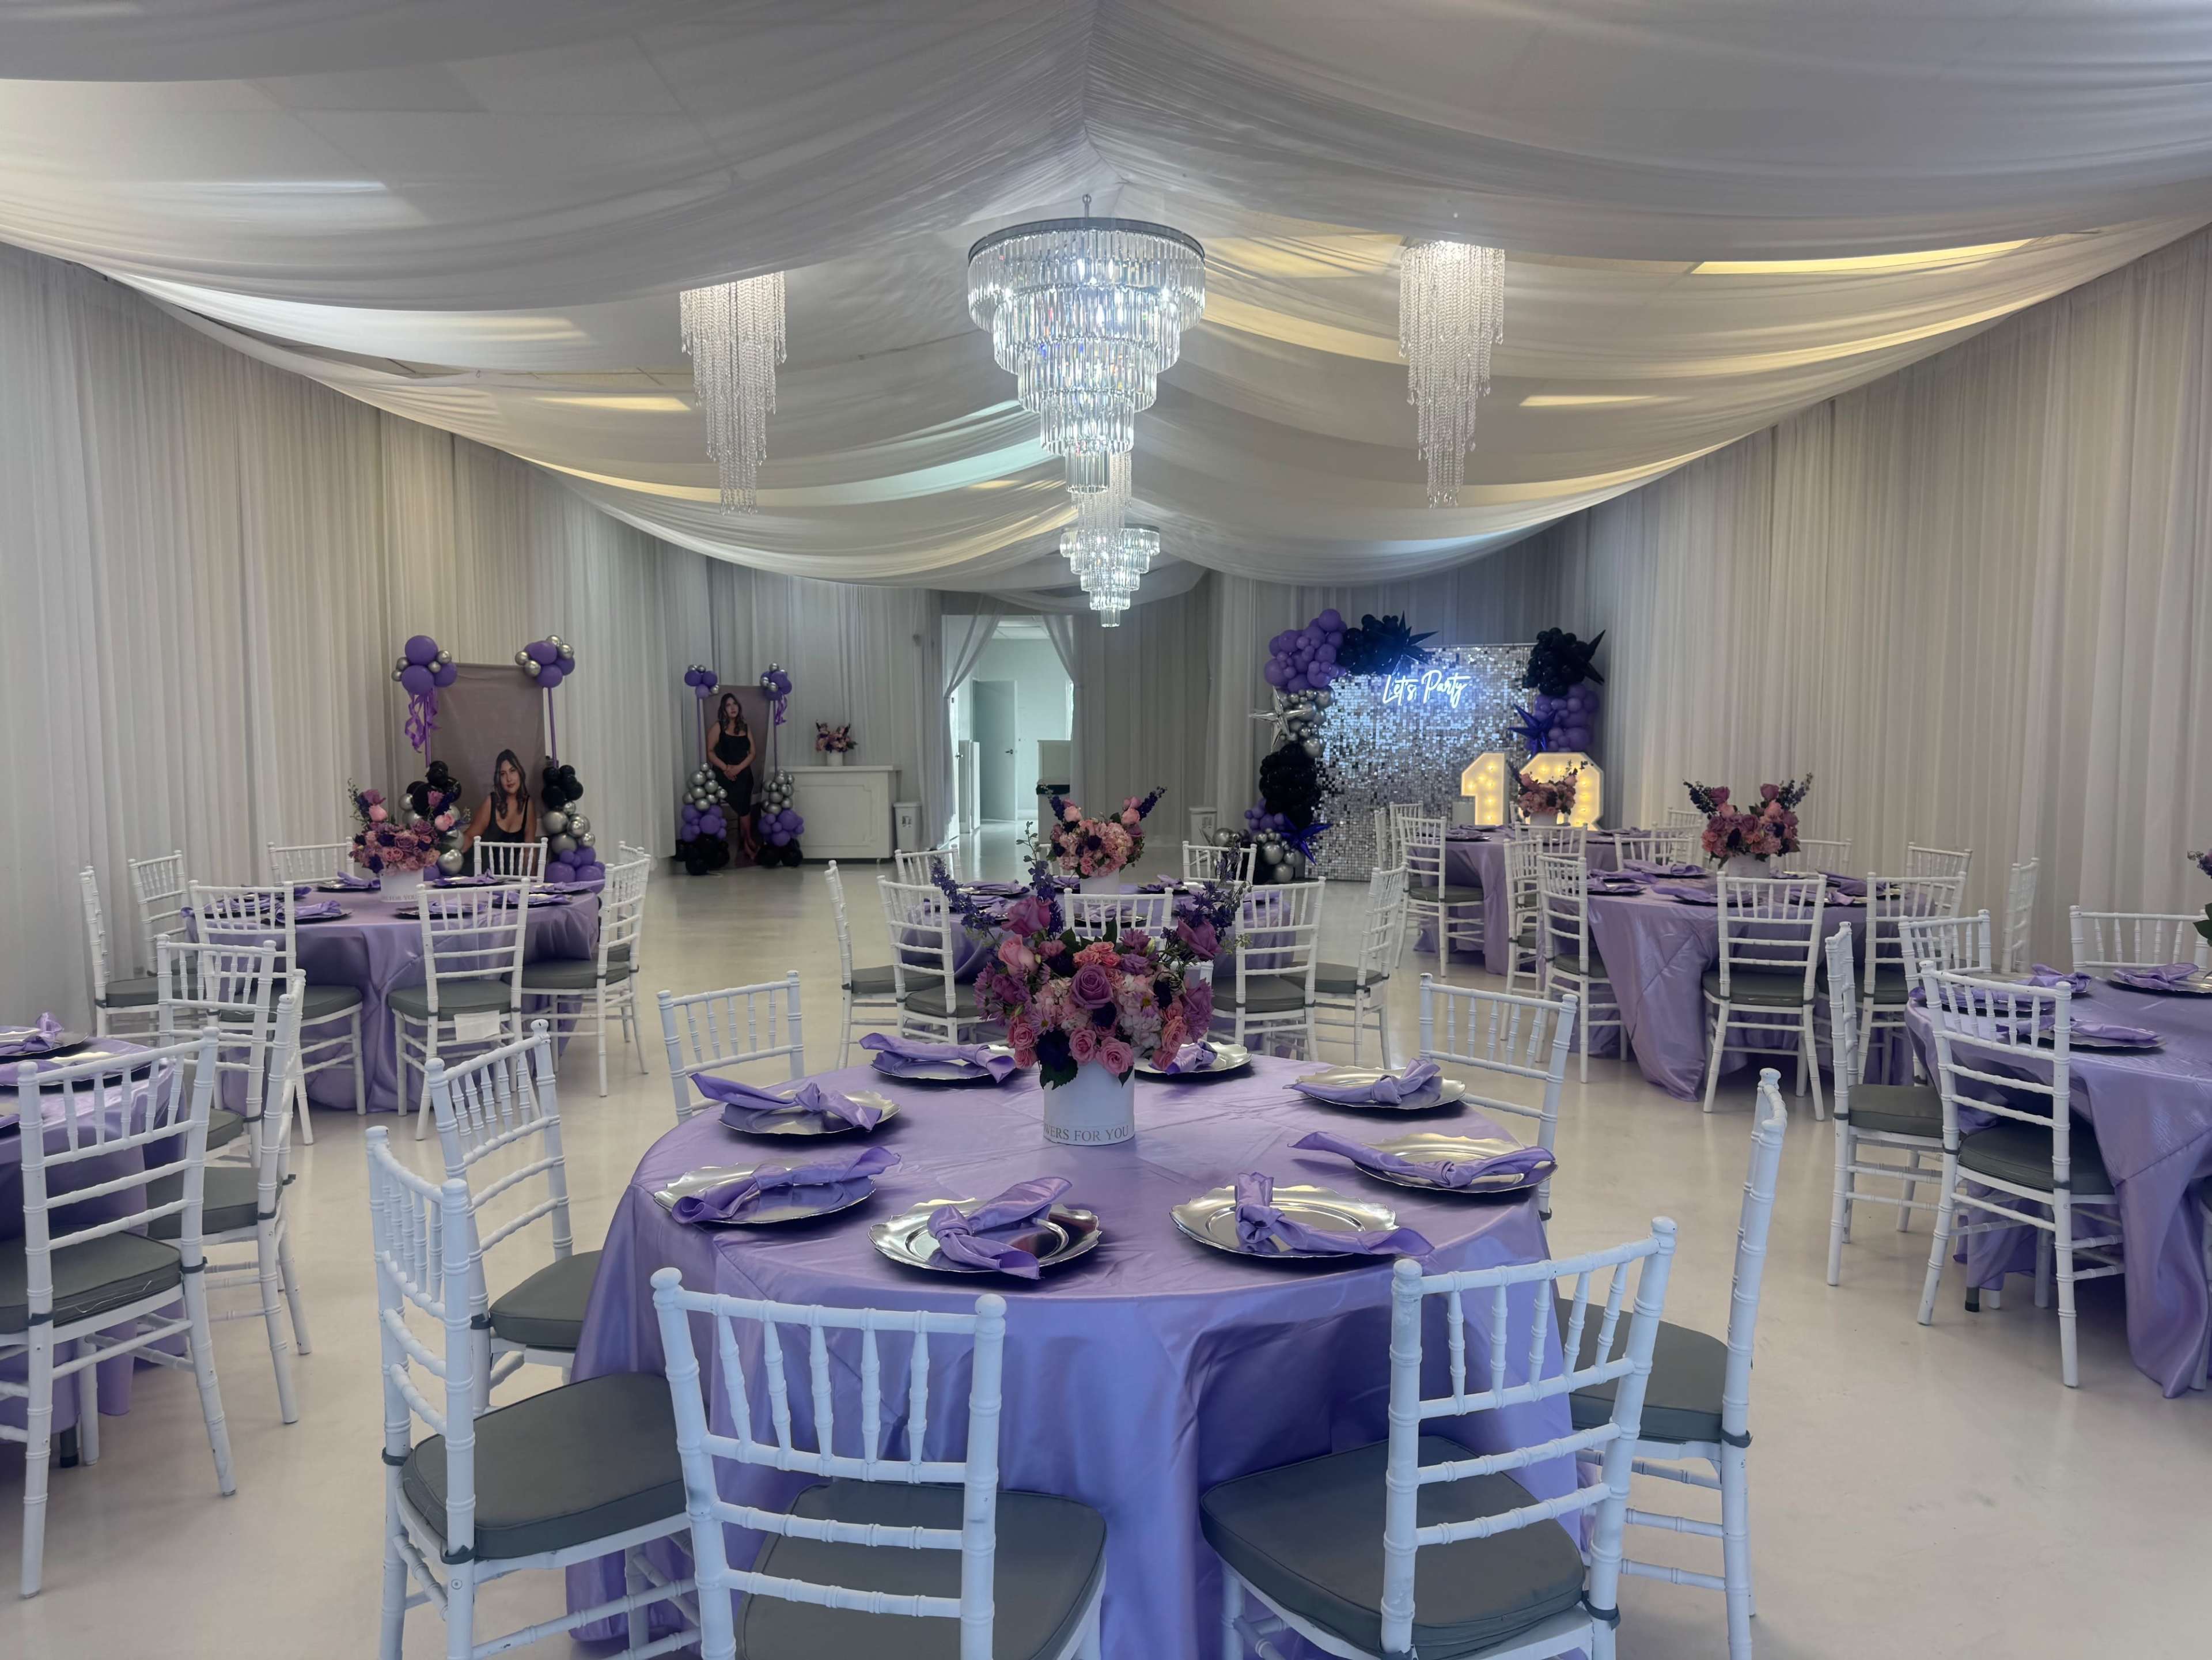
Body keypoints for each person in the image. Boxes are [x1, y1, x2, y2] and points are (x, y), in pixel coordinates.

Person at [463, 748, 537, 871]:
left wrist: (533, 885)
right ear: (499, 778)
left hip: (506, 879)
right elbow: (470, 836)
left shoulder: (528, 805)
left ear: (520, 772)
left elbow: (529, 849)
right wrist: (450, 856)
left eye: (512, 771)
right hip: (476, 873)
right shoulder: (492, 801)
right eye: (503, 774)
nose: (509, 779)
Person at [707, 691, 759, 860]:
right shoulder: (718, 727)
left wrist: (738, 769)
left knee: (744, 793)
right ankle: (748, 840)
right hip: (724, 774)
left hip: (742, 772)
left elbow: (752, 753)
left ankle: (746, 840)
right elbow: (710, 752)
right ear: (723, 710)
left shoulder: (745, 727)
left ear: (739, 706)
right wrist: (726, 769)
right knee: (743, 802)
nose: (732, 708)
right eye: (728, 705)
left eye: (734, 704)